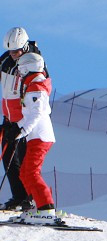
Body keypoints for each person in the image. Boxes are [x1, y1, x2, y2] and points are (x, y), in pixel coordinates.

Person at [1, 26, 44, 212]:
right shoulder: (5, 60)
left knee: (24, 160)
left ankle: (31, 198)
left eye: (16, 51)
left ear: (25, 47)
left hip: (24, 120)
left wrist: (23, 124)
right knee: (8, 158)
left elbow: (41, 86)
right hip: (9, 117)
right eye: (10, 51)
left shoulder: (34, 60)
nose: (13, 55)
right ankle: (18, 197)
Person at [13, 52, 57, 224]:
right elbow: (30, 114)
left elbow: (37, 113)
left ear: (28, 67)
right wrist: (15, 128)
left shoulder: (36, 86)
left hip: (40, 136)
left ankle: (46, 208)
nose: (19, 73)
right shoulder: (32, 85)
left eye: (21, 69)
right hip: (35, 136)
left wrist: (22, 130)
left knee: (31, 172)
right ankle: (36, 204)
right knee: (24, 172)